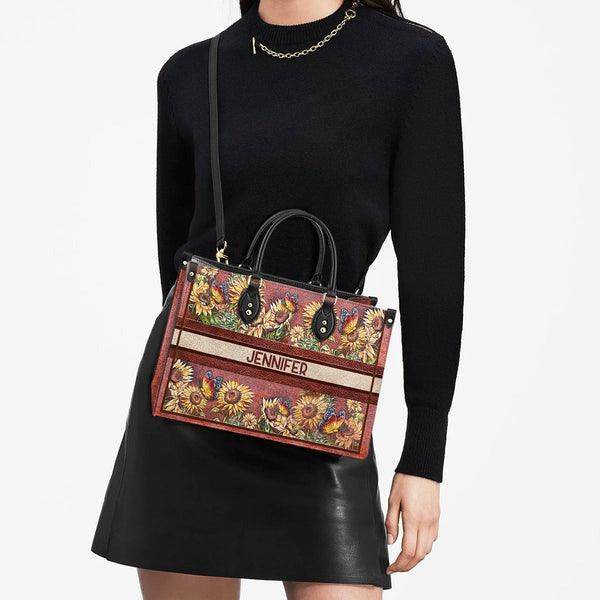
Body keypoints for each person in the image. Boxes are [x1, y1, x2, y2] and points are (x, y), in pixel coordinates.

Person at [92, 1, 464, 598]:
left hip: (324, 406)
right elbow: (178, 274)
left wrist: (424, 457)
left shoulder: (410, 62)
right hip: (191, 413)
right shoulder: (191, 73)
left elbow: (434, 270)